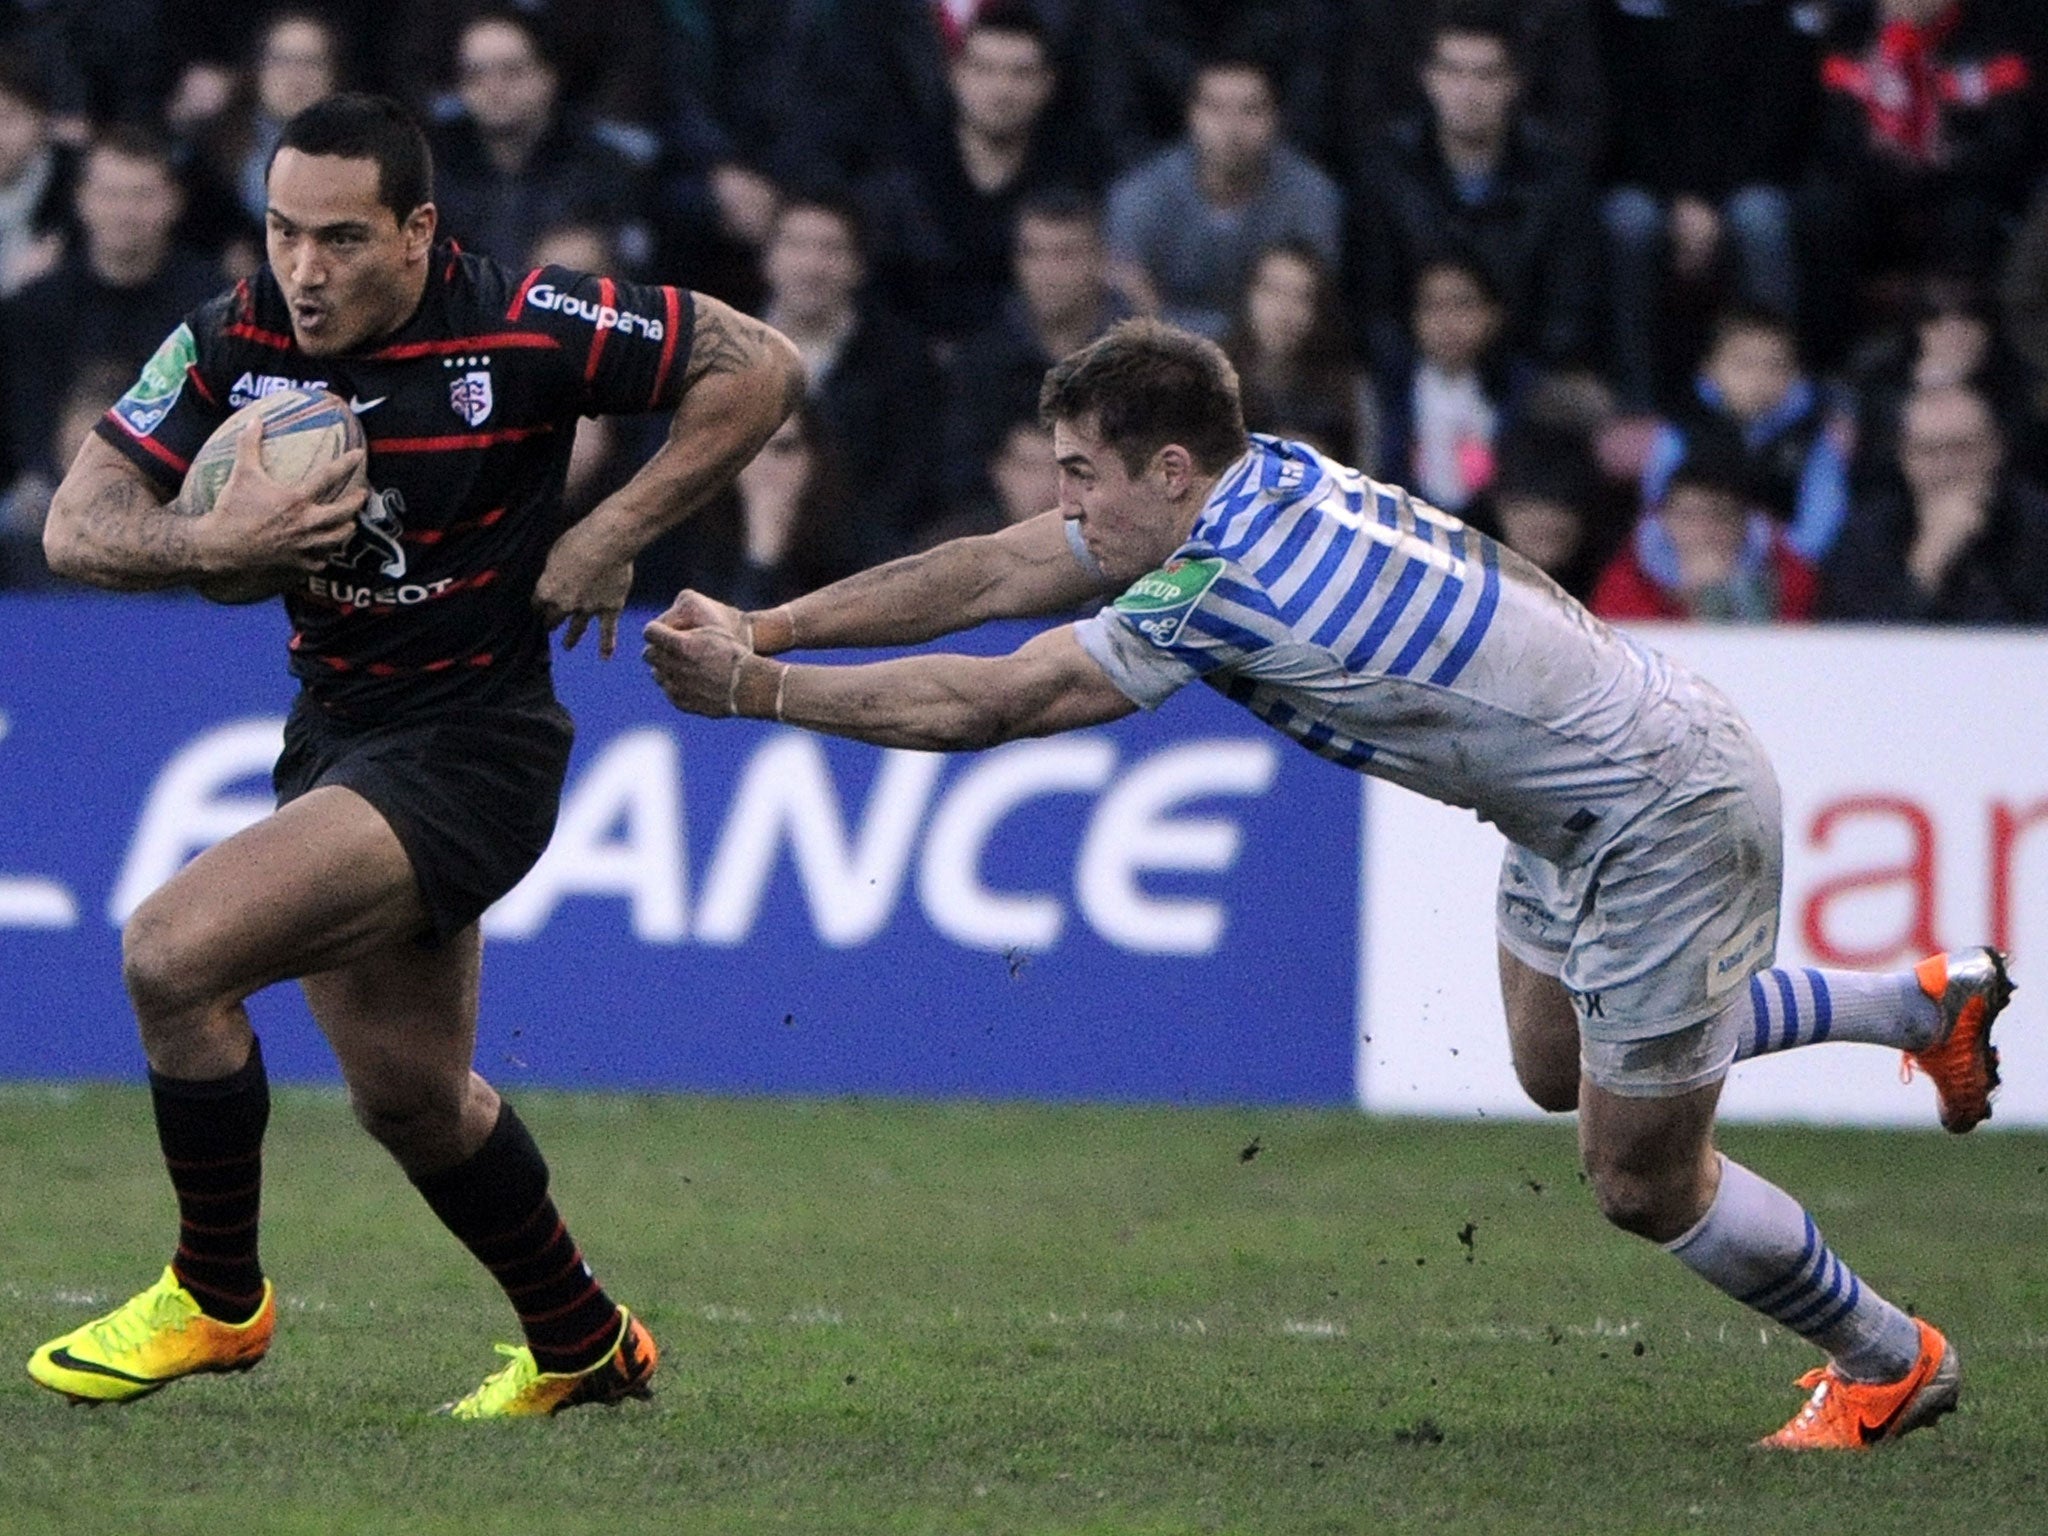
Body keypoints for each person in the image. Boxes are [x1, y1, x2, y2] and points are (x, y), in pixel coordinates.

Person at [643, 317, 2011, 1451]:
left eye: (1078, 474)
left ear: (1170, 468)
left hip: (1663, 817)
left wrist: (762, 692)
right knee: (1556, 1064)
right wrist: (770, 620)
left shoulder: (1229, 580)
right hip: (1581, 794)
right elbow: (1000, 569)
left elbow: (1000, 702)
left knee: (1639, 1176)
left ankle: (1890, 1357)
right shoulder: (1259, 475)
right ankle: (1915, 1005)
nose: (1061, 504)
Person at [26, 93, 802, 1418]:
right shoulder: (234, 336)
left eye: (339, 238)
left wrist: (617, 526)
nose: (304, 272)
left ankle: (216, 1299)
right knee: (412, 1097)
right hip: (338, 737)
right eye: (282, 232)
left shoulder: (530, 325)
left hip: (476, 747)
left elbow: (761, 368)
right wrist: (200, 548)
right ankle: (584, 1343)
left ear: (418, 230)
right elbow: (76, 526)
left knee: (172, 953)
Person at [1104, 54, 1341, 341]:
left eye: (1250, 110)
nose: (1232, 128)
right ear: (1191, 115)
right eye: (1215, 109)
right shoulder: (1140, 196)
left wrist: (1165, 316)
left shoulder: (1311, 197)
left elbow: (1307, 313)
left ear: (1276, 118)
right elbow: (1127, 314)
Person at [1819, 380, 2048, 623]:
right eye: (1928, 451)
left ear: (1995, 450)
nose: (1946, 467)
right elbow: (1857, 645)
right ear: (1905, 458)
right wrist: (1928, 562)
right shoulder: (1867, 533)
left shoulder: (2037, 525)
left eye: (1962, 448)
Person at [1592, 428, 1820, 624]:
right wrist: (1686, 603)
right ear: (1665, 519)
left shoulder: (1787, 572)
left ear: (1744, 522)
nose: (1703, 531)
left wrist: (1734, 597)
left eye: (1719, 515)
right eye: (1688, 516)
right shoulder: (1628, 576)